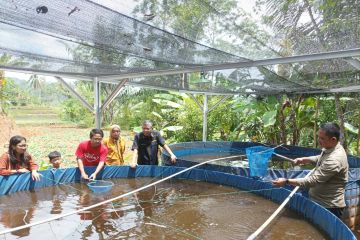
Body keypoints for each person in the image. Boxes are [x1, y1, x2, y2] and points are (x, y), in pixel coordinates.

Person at [272, 122, 348, 218]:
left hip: (329, 207)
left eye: (322, 138)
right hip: (319, 201)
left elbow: (313, 181)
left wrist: (286, 181)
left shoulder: (335, 159)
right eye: (318, 137)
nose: (318, 140)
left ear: (333, 139)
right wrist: (305, 159)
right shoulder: (331, 147)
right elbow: (320, 157)